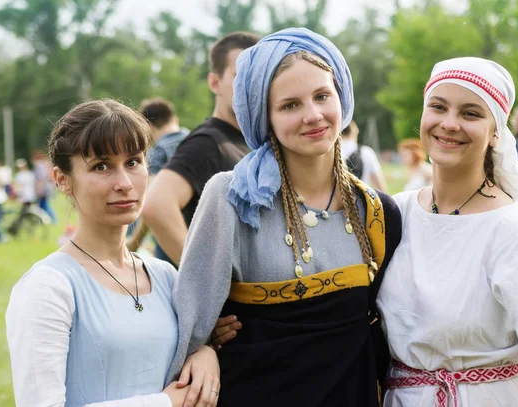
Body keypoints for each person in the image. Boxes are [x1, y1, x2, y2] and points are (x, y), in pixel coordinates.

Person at [167, 28, 402, 406]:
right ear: (266, 117)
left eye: (322, 96)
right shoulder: (232, 198)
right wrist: (206, 347)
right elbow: (190, 327)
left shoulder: (376, 212)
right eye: (290, 105)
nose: (313, 115)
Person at [377, 58, 518, 406]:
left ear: (496, 133)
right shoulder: (394, 214)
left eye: (471, 113)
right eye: (438, 107)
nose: (449, 124)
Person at [5, 99, 220, 407]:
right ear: (62, 180)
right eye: (101, 166)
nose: (124, 183)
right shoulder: (47, 287)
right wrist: (163, 403)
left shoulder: (165, 275)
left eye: (133, 162)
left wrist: (206, 353)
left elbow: (188, 349)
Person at [143, 32, 260, 265]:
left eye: (259, 76)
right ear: (215, 83)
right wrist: (205, 278)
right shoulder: (208, 142)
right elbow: (157, 206)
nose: (251, 86)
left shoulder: (249, 141)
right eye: (240, 76)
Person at [127, 97, 187, 264]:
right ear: (174, 119)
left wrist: (134, 241)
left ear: (147, 127)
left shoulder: (159, 152)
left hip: (170, 236)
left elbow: (153, 200)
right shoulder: (195, 142)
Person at [340, 120, 387, 192]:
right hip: (361, 198)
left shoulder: (329, 152)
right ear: (354, 132)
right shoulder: (366, 152)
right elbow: (379, 183)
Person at [32, 150, 57, 223]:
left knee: (44, 205)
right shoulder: (44, 165)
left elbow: (41, 178)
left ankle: (53, 220)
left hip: (43, 189)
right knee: (43, 205)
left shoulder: (39, 166)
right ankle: (46, 220)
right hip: (47, 188)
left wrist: (39, 189)